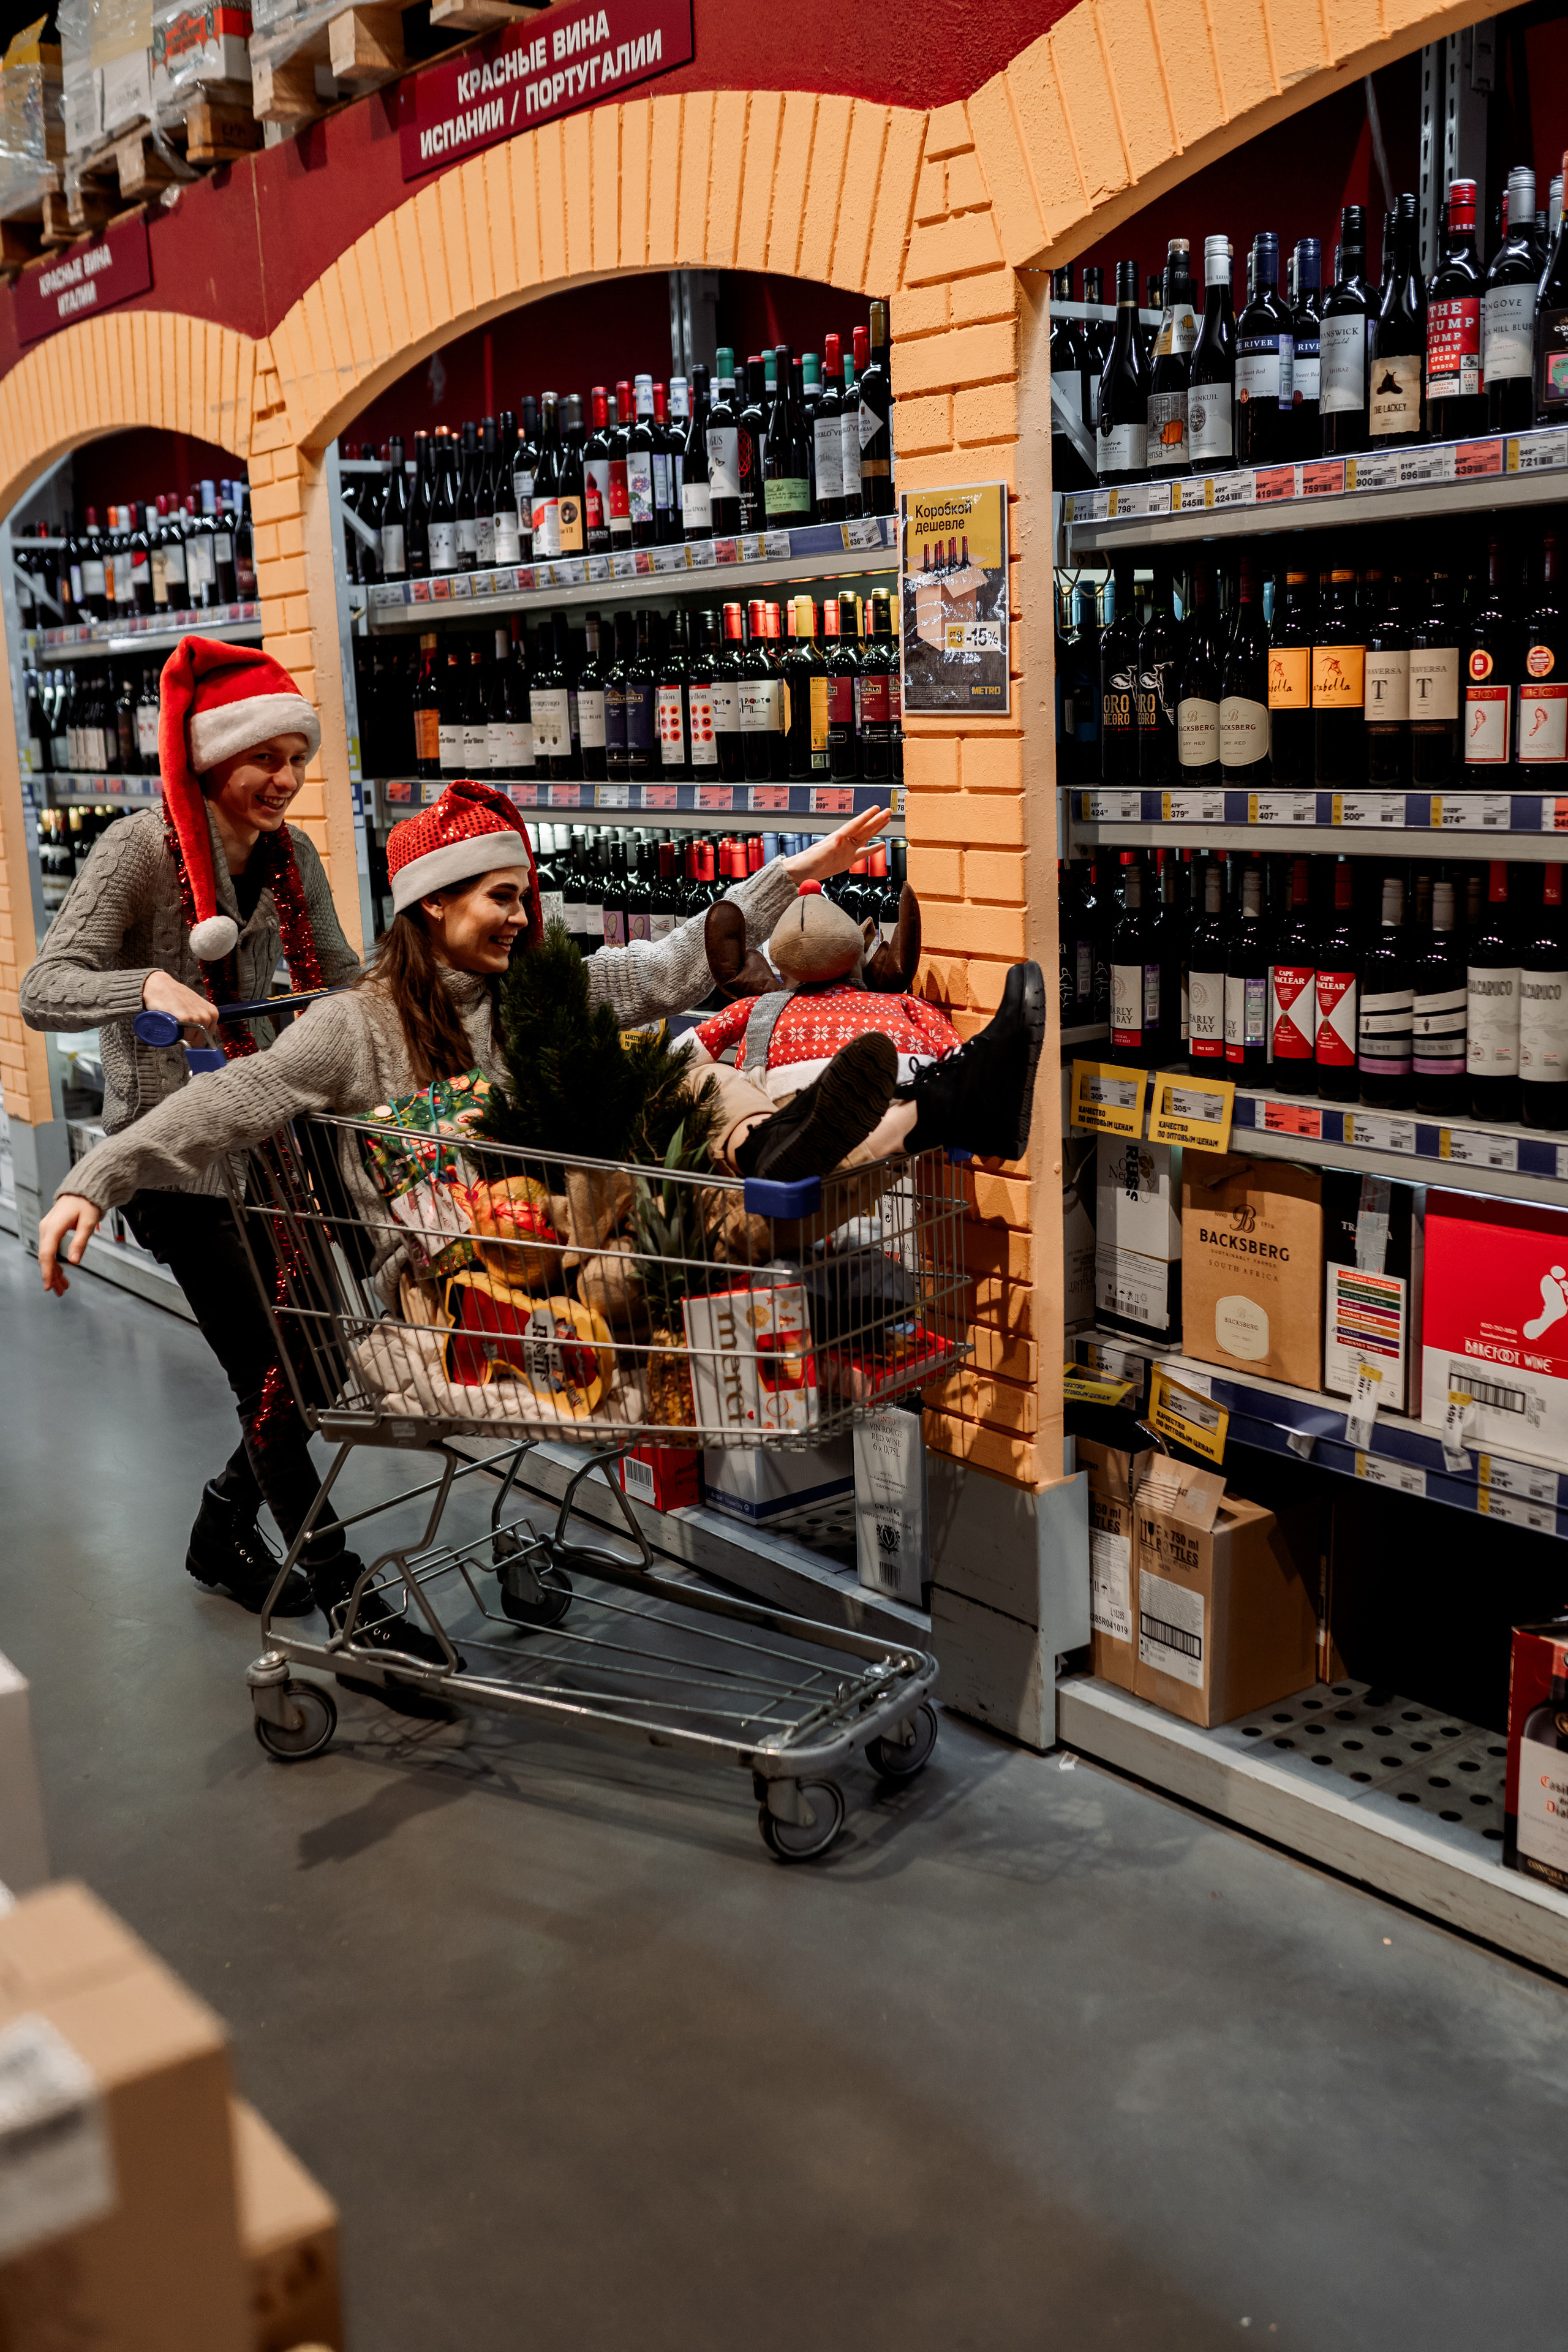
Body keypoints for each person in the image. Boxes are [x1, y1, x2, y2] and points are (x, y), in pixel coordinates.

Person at [32, 779, 903, 1689]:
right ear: (433, 902)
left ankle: (833, 1140)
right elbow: (231, 1099)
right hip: (456, 1291)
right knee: (678, 1237)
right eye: (502, 897)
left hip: (563, 1251)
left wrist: (789, 878)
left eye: (524, 896)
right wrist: (100, 1175)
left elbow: (664, 968)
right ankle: (841, 1157)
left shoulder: (535, 992)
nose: (523, 917)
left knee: (688, 1082)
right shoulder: (354, 1025)